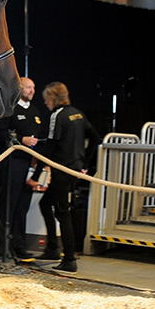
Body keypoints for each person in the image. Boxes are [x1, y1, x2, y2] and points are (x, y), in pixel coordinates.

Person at [0, 76, 45, 259]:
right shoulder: (8, 109)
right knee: (7, 205)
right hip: (10, 163)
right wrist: (19, 140)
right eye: (28, 87)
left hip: (28, 164)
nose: (31, 91)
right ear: (18, 88)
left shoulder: (34, 111)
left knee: (22, 207)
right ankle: (2, 246)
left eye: (33, 87)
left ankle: (19, 246)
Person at [36, 82, 99, 273]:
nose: (46, 103)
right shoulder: (77, 114)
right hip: (73, 169)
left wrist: (37, 174)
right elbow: (95, 137)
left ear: (52, 98)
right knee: (46, 204)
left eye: (47, 99)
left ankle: (69, 258)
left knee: (63, 213)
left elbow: (51, 146)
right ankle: (53, 249)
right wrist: (85, 165)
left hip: (62, 170)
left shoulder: (58, 115)